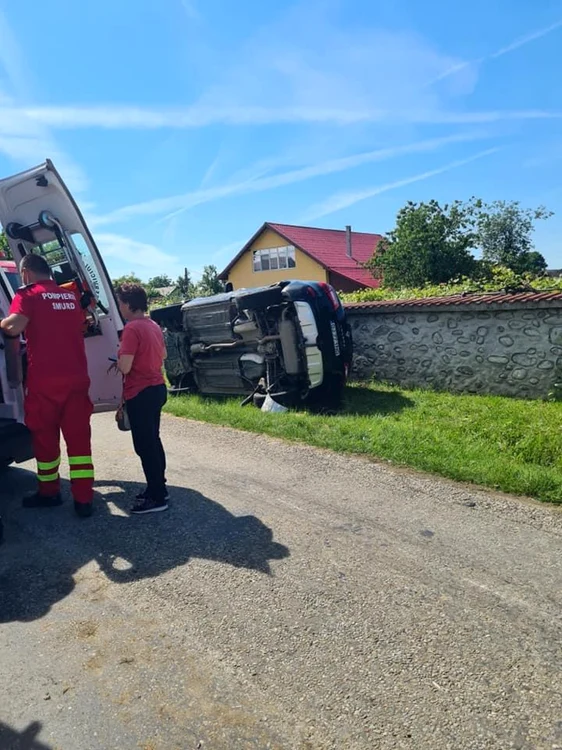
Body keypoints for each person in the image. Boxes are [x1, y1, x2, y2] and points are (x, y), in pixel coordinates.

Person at [0, 254, 94, 517]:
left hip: (45, 383)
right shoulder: (70, 296)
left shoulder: (28, 295)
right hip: (76, 379)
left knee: (45, 441)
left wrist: (3, 323)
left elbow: (12, 327)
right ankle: (84, 500)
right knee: (79, 443)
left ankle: (50, 492)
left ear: (26, 273)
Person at [114, 283, 168, 514]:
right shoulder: (152, 325)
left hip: (140, 392)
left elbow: (125, 367)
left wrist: (118, 360)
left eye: (119, 302)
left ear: (127, 304)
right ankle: (158, 487)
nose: (119, 306)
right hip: (157, 387)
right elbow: (163, 354)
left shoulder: (132, 329)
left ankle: (157, 498)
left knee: (144, 445)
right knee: (153, 440)